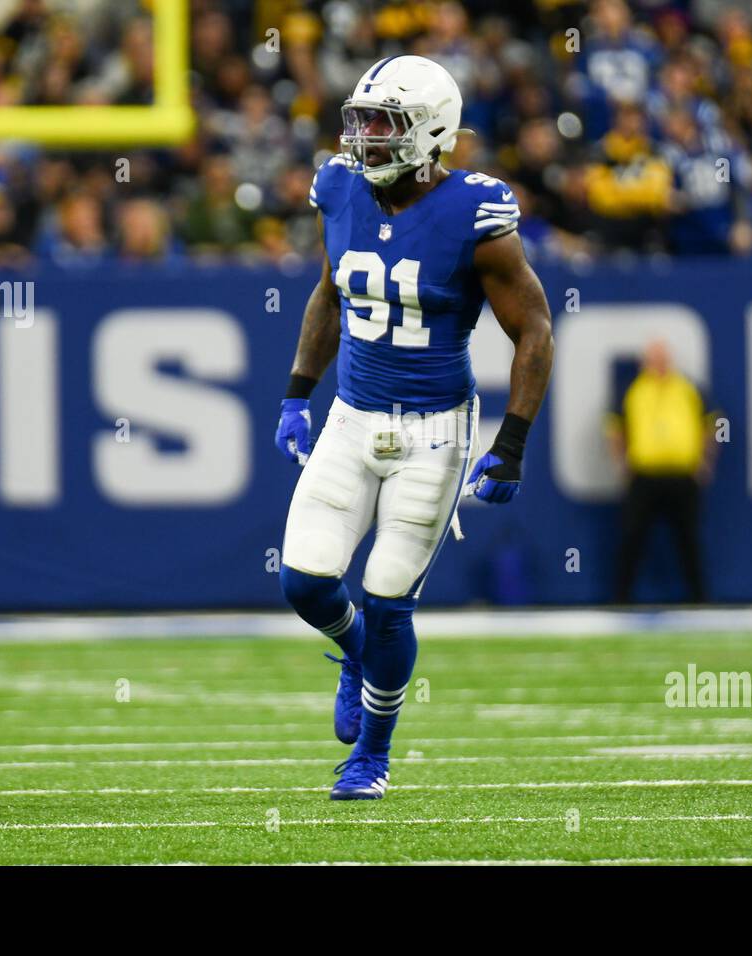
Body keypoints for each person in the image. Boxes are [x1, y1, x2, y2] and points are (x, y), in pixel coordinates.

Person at [273, 56, 554, 800]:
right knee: (303, 579)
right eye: (359, 120)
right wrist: (297, 394)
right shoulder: (338, 189)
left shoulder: (475, 213)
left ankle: (373, 753)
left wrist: (514, 442)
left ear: (431, 131)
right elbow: (330, 295)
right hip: (351, 416)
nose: (363, 137)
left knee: (389, 592)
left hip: (434, 431)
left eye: (382, 122)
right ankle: (353, 651)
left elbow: (534, 329)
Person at [608, 338, 716, 604]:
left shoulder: (688, 388)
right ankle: (621, 599)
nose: (658, 363)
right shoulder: (633, 390)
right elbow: (614, 428)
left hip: (682, 476)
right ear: (644, 362)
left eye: (662, 357)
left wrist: (705, 461)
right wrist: (623, 464)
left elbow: (710, 423)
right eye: (653, 358)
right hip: (645, 477)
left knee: (688, 539)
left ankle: (699, 599)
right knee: (632, 537)